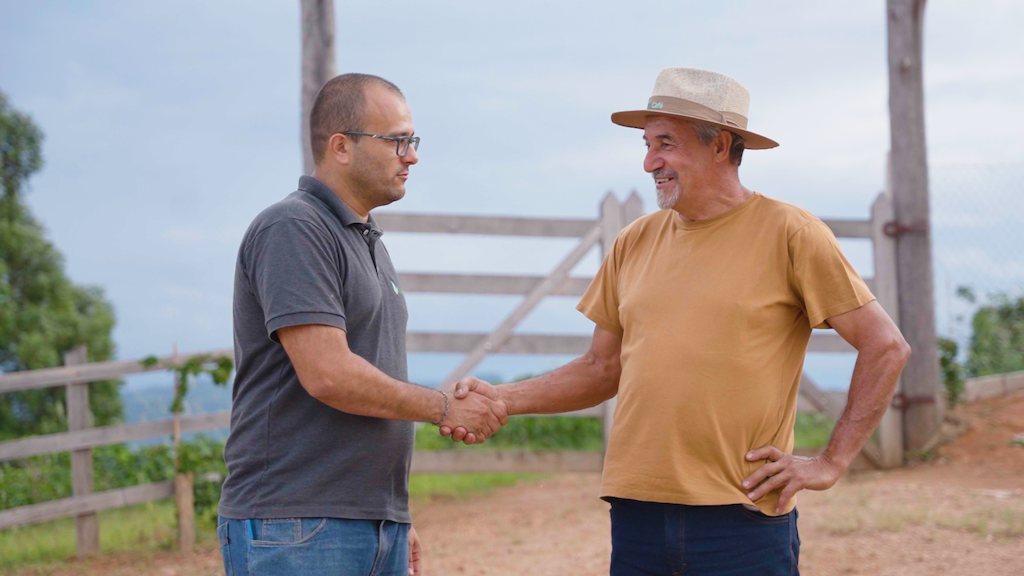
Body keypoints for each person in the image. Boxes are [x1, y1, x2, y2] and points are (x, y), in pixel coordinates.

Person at [442, 67, 911, 575]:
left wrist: (830, 463)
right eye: (647, 145)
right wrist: (501, 399)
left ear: (721, 145)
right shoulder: (634, 240)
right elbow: (601, 368)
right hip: (636, 512)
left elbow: (885, 346)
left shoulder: (791, 233)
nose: (650, 162)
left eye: (665, 144)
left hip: (741, 514)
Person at [217, 73, 508, 576]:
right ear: (341, 147)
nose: (411, 157)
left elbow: (373, 375)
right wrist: (443, 407)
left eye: (412, 141)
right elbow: (329, 374)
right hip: (297, 525)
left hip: (363, 522)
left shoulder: (364, 237)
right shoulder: (294, 228)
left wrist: (391, 514)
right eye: (397, 141)